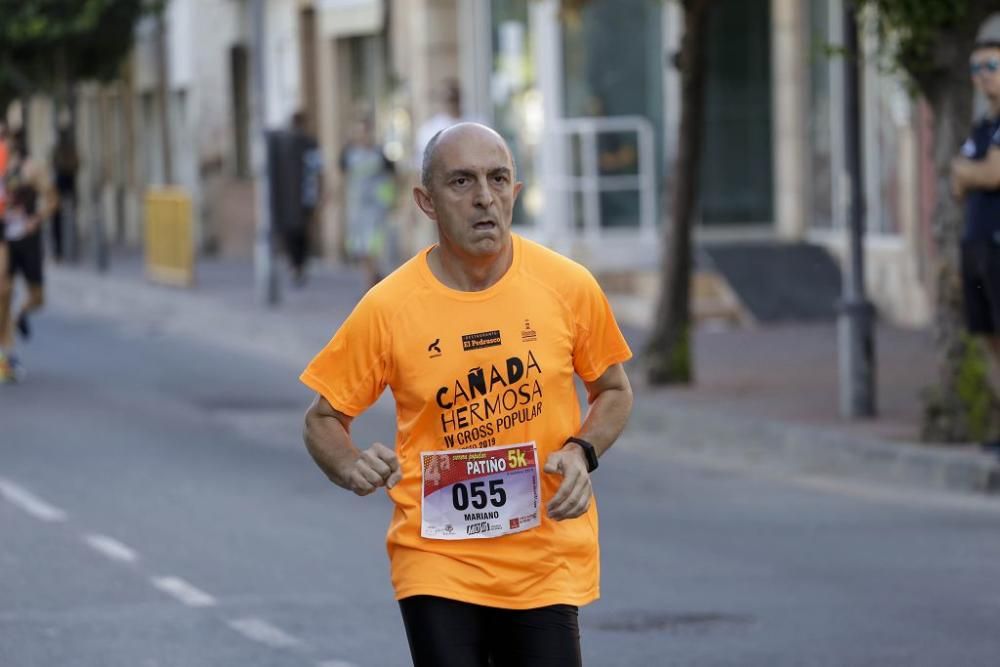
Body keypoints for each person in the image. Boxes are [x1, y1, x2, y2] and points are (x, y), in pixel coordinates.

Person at [300, 123, 634, 666]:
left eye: (498, 179)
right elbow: (322, 418)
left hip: (543, 556)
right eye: (461, 181)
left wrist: (581, 450)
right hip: (436, 557)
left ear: (516, 193)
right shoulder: (390, 307)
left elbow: (614, 390)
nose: (484, 198)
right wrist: (349, 464)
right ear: (425, 202)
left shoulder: (566, 287)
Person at [952, 39, 1000, 451]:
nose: (983, 74)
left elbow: (992, 175)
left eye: (991, 64)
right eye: (976, 68)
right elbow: (956, 180)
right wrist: (972, 171)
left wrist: (972, 171)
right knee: (988, 339)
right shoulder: (982, 126)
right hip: (976, 241)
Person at [0, 136, 55, 382]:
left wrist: (37, 219)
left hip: (28, 241)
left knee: (38, 297)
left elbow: (52, 198)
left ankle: (21, 314)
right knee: (4, 291)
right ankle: (7, 354)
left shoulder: (31, 169)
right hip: (6, 241)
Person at [339, 117, 396, 288]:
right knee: (361, 249)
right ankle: (372, 279)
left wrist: (392, 200)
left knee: (373, 246)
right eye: (358, 132)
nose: (361, 136)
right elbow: (342, 177)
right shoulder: (349, 154)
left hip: (375, 208)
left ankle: (371, 284)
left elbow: (392, 176)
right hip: (357, 209)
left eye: (364, 132)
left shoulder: (380, 154)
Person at [268, 110, 322, 286]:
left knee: (293, 232)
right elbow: (317, 169)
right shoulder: (308, 143)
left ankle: (296, 265)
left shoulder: (286, 144)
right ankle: (299, 265)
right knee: (301, 232)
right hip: (305, 195)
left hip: (291, 197)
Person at [50, 126, 79, 263]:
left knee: (70, 215)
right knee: (56, 218)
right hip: (61, 184)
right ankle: (59, 251)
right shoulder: (58, 150)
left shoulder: (70, 150)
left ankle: (67, 248)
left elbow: (76, 165)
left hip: (68, 183)